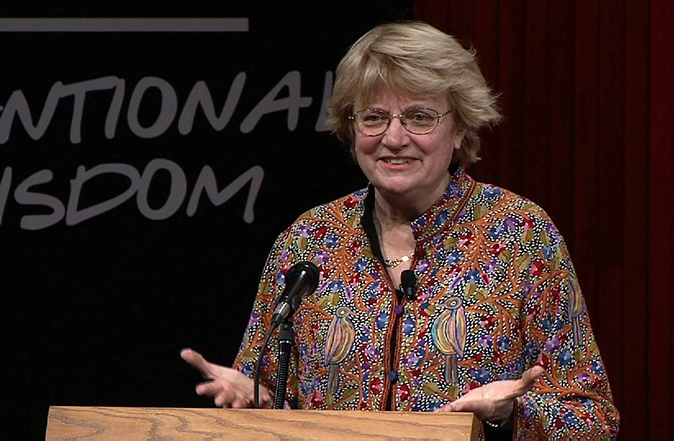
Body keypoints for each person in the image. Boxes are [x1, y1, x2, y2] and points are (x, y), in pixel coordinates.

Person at [181, 20, 619, 440]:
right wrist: (257, 405)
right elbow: (274, 399)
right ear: (351, 127)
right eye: (374, 117)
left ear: (461, 126)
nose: (394, 137)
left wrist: (509, 416)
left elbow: (593, 418)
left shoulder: (521, 235)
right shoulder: (308, 239)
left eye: (420, 117)